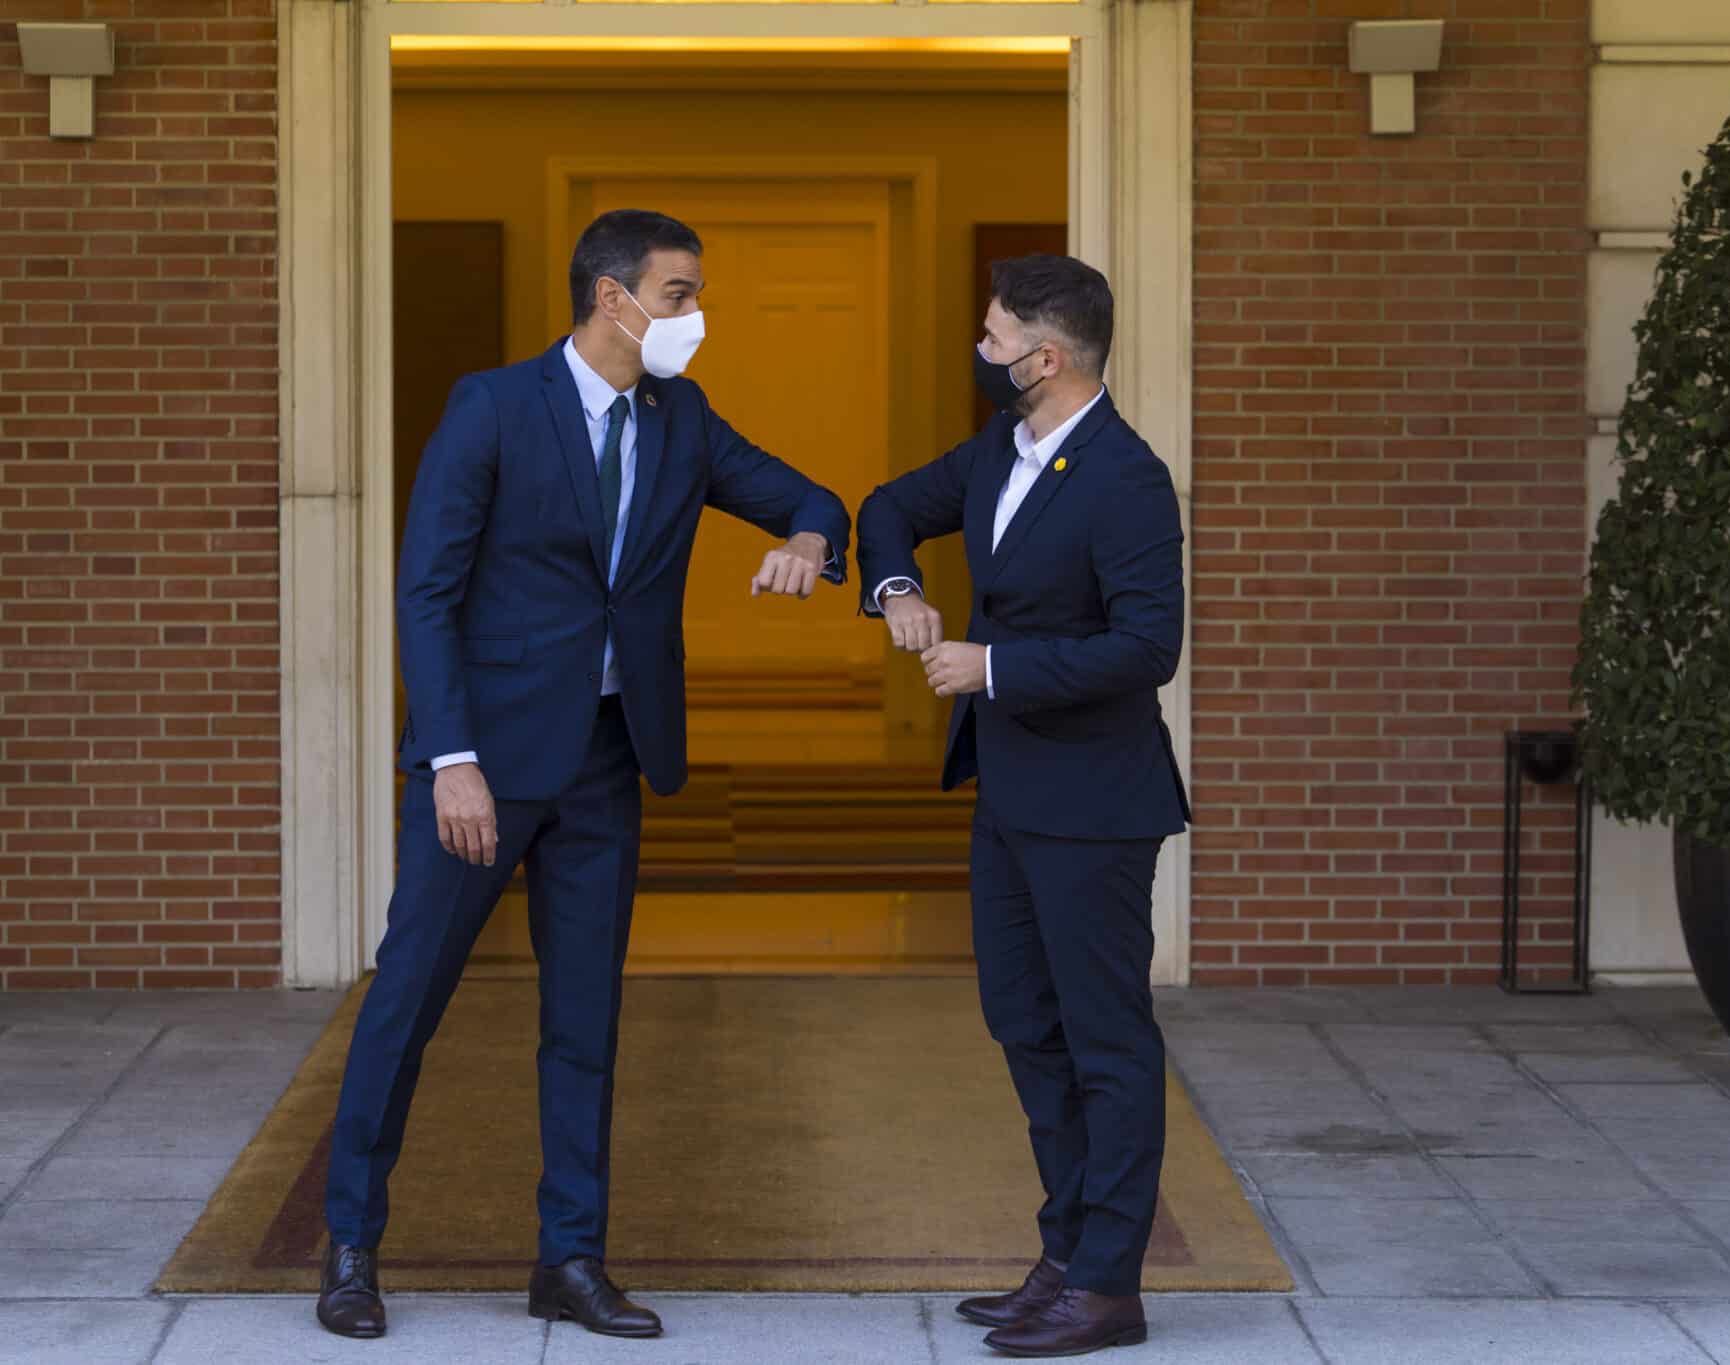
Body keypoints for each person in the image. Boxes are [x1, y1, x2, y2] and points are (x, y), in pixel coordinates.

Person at [317, 209, 850, 1342]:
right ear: (611, 299)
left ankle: (569, 1258)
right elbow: (427, 591)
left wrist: (808, 545)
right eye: (677, 296)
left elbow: (810, 498)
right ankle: (352, 1247)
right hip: (486, 766)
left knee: (585, 1020)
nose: (693, 318)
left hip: (607, 762)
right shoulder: (494, 406)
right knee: (408, 1000)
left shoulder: (685, 418)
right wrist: (448, 757)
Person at [856, 254, 1188, 1358]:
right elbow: (890, 505)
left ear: (1044, 359)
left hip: (1094, 803)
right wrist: (898, 586)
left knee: (1103, 1040)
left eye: (993, 338)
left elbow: (1146, 647)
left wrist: (988, 668)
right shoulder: (1002, 447)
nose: (981, 351)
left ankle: (1108, 1286)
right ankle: (1064, 1253)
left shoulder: (1126, 479)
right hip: (1005, 794)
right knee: (1024, 1026)